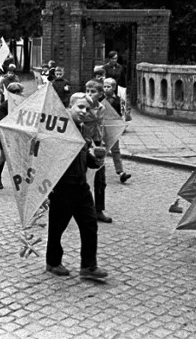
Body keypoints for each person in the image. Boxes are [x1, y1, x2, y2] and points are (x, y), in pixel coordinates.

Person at [45, 92, 108, 279]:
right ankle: (53, 262)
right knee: (57, 227)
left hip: (81, 186)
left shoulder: (83, 129)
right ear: (69, 107)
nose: (84, 111)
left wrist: (95, 160)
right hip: (63, 187)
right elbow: (47, 157)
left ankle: (88, 266)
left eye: (87, 109)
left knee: (90, 225)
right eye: (80, 107)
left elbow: (84, 156)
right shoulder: (58, 128)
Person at [84, 79, 112, 223]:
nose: (89, 94)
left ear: (100, 93)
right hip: (84, 146)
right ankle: (80, 209)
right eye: (87, 91)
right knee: (82, 179)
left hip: (97, 145)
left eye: (93, 91)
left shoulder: (102, 108)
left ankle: (99, 210)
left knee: (100, 180)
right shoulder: (82, 107)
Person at [0, 82, 24, 189]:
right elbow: (2, 122)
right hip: (6, 136)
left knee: (21, 159)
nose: (18, 94)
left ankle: (21, 181)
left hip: (19, 135)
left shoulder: (24, 104)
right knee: (3, 157)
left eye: (19, 92)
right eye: (15, 92)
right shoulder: (3, 106)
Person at [103, 77, 131, 183]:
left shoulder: (119, 100)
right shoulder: (100, 98)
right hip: (102, 127)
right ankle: (96, 170)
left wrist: (122, 125)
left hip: (113, 127)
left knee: (115, 150)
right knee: (100, 150)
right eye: (104, 86)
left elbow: (123, 114)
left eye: (108, 87)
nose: (106, 89)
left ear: (114, 88)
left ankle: (121, 172)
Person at [104, 51, 131, 121]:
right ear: (109, 59)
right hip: (108, 90)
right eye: (112, 59)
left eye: (116, 58)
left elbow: (123, 79)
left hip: (118, 89)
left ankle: (118, 121)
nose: (114, 60)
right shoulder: (105, 67)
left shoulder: (120, 68)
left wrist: (124, 91)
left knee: (118, 106)